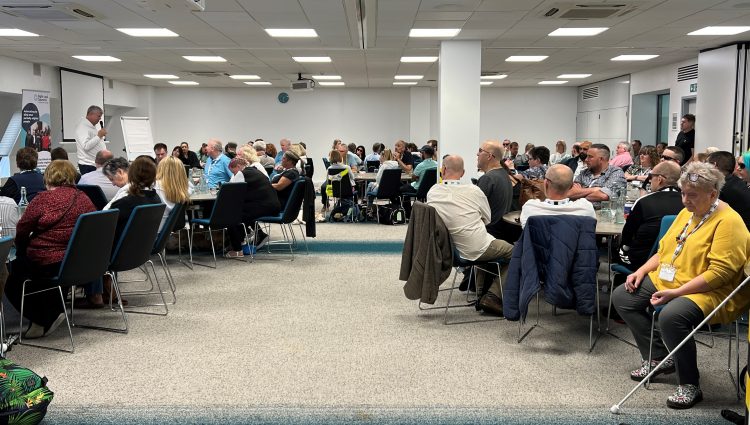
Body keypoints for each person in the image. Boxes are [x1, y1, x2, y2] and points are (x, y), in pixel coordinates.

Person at [612, 162, 750, 409]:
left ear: (713, 194)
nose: (684, 200)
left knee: (671, 316)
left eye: (692, 195)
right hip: (671, 277)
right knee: (623, 297)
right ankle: (658, 357)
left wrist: (675, 293)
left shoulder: (729, 221)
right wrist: (641, 271)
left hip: (710, 290)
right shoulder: (687, 213)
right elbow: (664, 252)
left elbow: (720, 274)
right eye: (683, 193)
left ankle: (690, 384)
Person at [4, 160, 96, 337]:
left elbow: (22, 229)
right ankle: (52, 313)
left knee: (12, 277)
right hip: (75, 260)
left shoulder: (43, 199)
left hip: (48, 260)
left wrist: (22, 248)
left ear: (48, 177)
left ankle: (41, 319)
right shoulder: (83, 198)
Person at [426, 155, 514, 317]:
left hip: (448, 249)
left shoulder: (433, 192)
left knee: (485, 243)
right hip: (474, 248)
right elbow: (487, 219)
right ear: (463, 172)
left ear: (443, 170)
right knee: (517, 253)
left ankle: (481, 295)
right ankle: (492, 296)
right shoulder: (474, 191)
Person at [617, 161, 683, 271]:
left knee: (617, 251)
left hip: (643, 261)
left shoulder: (643, 202)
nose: (649, 180)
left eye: (651, 176)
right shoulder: (688, 202)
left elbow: (627, 235)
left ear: (660, 179)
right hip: (676, 259)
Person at [225, 163, 280, 257]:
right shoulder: (256, 171)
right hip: (273, 205)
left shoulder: (241, 173)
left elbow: (234, 192)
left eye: (233, 172)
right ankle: (241, 242)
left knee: (231, 215)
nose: (233, 175)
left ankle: (237, 250)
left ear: (238, 167)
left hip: (264, 206)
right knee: (241, 213)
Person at [520, 164, 596, 228]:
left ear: (546, 183)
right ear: (571, 186)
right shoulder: (586, 208)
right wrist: (593, 189)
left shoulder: (530, 207)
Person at [107, 156, 162, 243]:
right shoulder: (156, 199)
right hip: (143, 247)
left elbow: (105, 224)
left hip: (118, 248)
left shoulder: (125, 203)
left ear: (131, 175)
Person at [568, 143, 626, 209]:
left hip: (602, 215)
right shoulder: (584, 172)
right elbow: (570, 193)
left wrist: (579, 194)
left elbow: (603, 196)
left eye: (590, 157)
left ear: (601, 159)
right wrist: (595, 189)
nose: (586, 159)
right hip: (578, 211)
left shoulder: (615, 172)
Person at [707, 151, 750, 231]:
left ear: (714, 165)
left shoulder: (721, 186)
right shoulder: (734, 182)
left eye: (742, 165)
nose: (738, 168)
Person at [400, 145, 437, 218]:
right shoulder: (436, 164)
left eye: (421, 152)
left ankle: (408, 214)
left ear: (424, 153)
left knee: (401, 189)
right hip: (430, 189)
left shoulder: (421, 165)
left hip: (418, 188)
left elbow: (413, 178)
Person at [154, 157, 191, 231]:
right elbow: (189, 185)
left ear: (161, 169)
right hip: (174, 224)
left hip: (158, 228)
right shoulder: (186, 187)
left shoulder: (155, 186)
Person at [74, 105, 107, 175]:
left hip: (93, 164)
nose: (100, 118)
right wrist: (99, 136)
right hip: (88, 165)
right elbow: (86, 146)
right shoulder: (82, 127)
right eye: (98, 116)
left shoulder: (90, 126)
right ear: (91, 114)